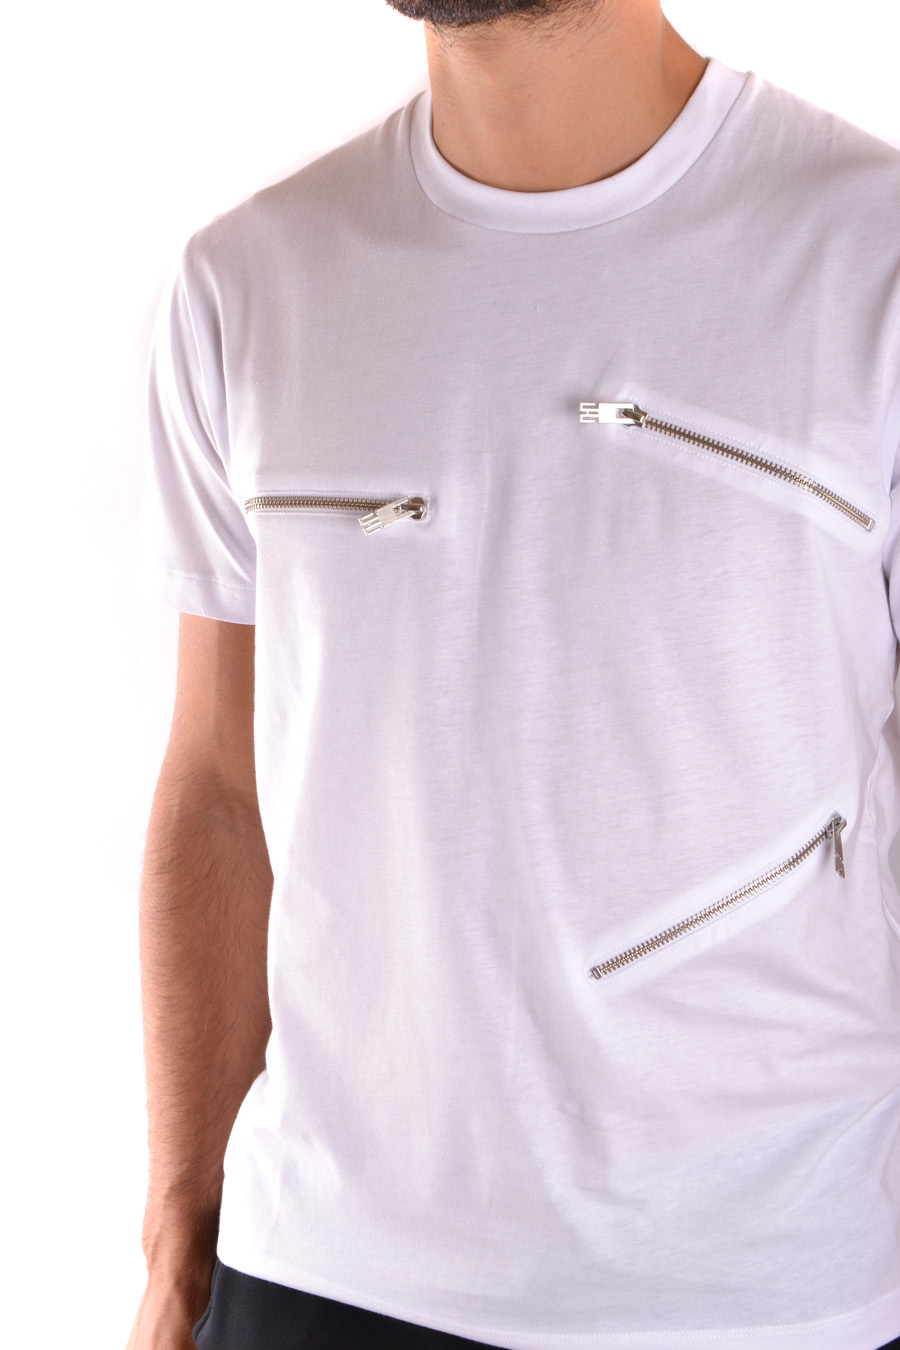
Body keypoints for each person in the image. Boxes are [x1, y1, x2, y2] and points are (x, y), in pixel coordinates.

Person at [126, 0, 900, 1346]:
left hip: (763, 1289)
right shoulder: (246, 286)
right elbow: (218, 784)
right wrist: (177, 1242)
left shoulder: (866, 252)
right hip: (318, 1275)